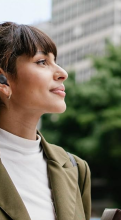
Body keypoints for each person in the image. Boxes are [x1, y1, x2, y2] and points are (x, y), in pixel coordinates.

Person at [0, 22, 91, 220]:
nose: (62, 73)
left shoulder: (76, 168)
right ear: (3, 80)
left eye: (55, 61)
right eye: (42, 62)